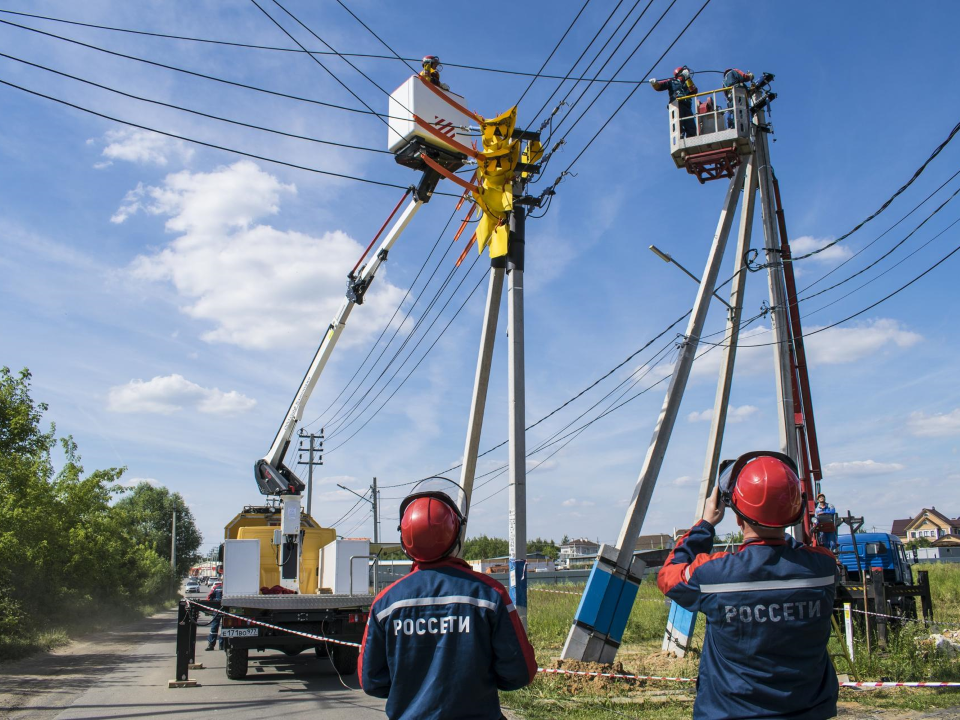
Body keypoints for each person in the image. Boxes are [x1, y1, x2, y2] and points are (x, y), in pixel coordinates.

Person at [658, 451, 839, 720]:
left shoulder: (714, 574)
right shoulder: (824, 569)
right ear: (796, 509)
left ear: (738, 516)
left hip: (729, 712)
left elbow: (667, 576)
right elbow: (798, 555)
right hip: (809, 712)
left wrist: (706, 525)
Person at [358, 477, 537, 720]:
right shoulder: (491, 595)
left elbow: (371, 680)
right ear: (455, 534)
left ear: (405, 540)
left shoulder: (385, 604)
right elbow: (519, 672)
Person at [649, 65, 698, 138]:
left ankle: (691, 137)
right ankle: (680, 135)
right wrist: (655, 84)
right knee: (679, 123)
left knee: (691, 126)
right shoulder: (672, 82)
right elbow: (661, 86)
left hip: (687, 106)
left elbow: (694, 91)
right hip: (677, 104)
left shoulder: (687, 84)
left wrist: (688, 78)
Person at [204, 582, 223, 651]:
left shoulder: (216, 587)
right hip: (227, 610)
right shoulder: (230, 588)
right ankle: (222, 645)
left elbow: (209, 598)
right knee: (225, 627)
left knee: (214, 627)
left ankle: (211, 645)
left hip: (217, 609)